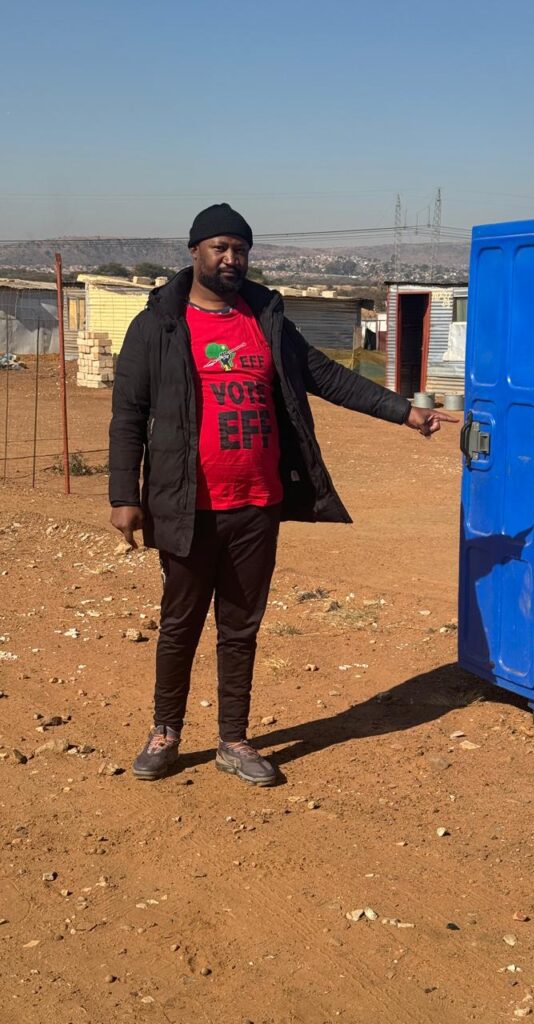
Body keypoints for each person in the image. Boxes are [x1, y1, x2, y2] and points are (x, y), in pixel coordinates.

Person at [109, 203, 456, 787]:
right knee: (180, 624)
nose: (231, 258)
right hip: (185, 504)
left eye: (240, 248)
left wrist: (404, 413)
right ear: (193, 252)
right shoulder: (159, 325)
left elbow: (328, 376)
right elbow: (127, 413)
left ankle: (234, 739)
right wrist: (125, 493)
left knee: (240, 626)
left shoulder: (265, 319)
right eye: (219, 247)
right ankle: (165, 731)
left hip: (256, 502)